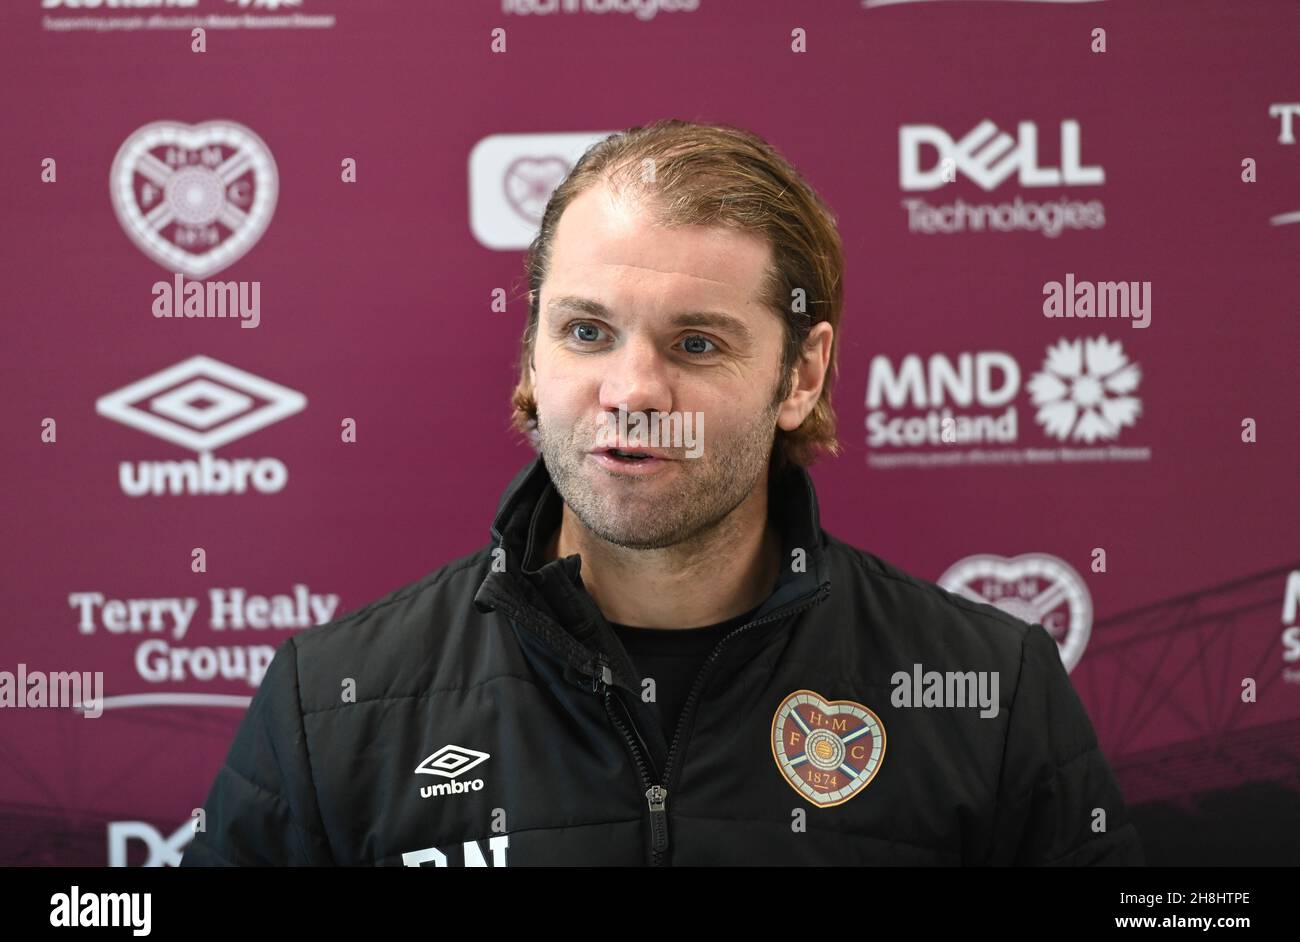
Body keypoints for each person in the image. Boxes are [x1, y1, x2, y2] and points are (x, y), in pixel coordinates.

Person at [181, 119, 1142, 866]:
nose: (632, 393)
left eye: (696, 344)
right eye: (587, 332)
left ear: (801, 376)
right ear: (530, 354)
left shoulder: (990, 696)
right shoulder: (335, 706)